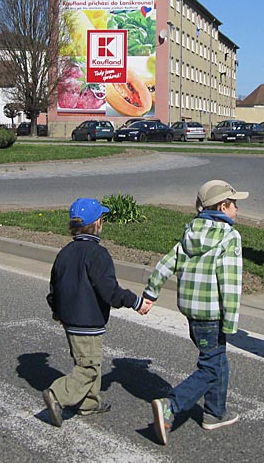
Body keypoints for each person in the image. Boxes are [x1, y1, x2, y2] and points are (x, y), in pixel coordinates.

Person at [145, 180, 247, 445]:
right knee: (210, 367)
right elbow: (231, 281)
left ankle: (215, 412)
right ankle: (172, 405)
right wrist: (231, 320)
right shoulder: (229, 237)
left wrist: (151, 291)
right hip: (213, 314)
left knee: (217, 359)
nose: (237, 208)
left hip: (191, 311)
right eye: (234, 204)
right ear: (223, 206)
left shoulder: (191, 231)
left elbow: (167, 262)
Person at [43, 198, 147, 427]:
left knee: (91, 361)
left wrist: (57, 311)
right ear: (98, 223)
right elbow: (110, 290)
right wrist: (135, 302)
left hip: (70, 319)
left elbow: (54, 287)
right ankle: (57, 394)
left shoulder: (65, 253)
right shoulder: (98, 254)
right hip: (87, 320)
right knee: (88, 367)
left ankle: (88, 403)